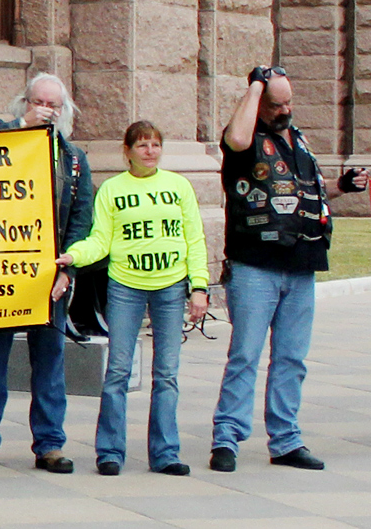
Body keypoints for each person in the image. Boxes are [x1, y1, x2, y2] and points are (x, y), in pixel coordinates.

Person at [210, 66, 369, 473]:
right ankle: (226, 439)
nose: (286, 110)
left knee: (292, 358)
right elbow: (237, 138)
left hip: (302, 264)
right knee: (245, 354)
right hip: (255, 265)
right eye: (276, 104)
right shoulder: (245, 139)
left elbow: (305, 190)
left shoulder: (297, 140)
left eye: (289, 102)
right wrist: (256, 85)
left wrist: (344, 186)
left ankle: (285, 440)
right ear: (259, 103)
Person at [56, 120, 209, 476]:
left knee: (167, 373)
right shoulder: (111, 190)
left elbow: (194, 239)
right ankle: (110, 451)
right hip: (126, 286)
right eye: (142, 145)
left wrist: (198, 287)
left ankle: (166, 452)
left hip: (170, 287)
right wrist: (74, 256)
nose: (150, 151)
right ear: (127, 152)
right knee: (118, 372)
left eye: (155, 144)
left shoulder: (178, 186)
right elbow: (100, 240)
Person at [0, 73, 94, 474]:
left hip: (50, 275)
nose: (46, 110)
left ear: (64, 111)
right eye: (39, 102)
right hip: (2, 271)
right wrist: (25, 130)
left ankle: (50, 443)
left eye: (53, 106)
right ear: (24, 103)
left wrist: (68, 270)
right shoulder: (1, 139)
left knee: (51, 360)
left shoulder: (72, 158)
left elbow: (81, 219)